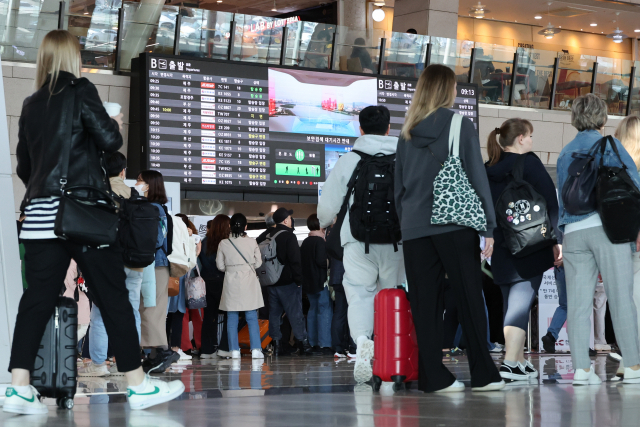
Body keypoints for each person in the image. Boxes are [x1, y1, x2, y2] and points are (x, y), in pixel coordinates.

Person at [5, 30, 183, 415]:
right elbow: (108, 139)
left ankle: (18, 387)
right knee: (113, 297)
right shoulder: (81, 89)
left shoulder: (32, 104)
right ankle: (137, 385)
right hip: (82, 215)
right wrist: (114, 121)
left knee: (35, 301)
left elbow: (24, 167)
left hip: (39, 217)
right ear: (71, 58)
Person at [394, 64, 504, 392]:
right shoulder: (459, 124)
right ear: (447, 90)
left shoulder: (406, 132)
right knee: (469, 298)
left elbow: (399, 188)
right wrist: (488, 227)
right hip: (454, 223)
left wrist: (408, 222)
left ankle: (433, 377)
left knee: (425, 305)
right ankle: (484, 374)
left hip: (415, 228)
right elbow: (476, 177)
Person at [318, 105, 405, 383]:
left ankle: (362, 342)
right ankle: (391, 353)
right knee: (392, 295)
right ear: (389, 128)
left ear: (361, 129)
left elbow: (326, 209)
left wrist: (325, 221)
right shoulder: (403, 157)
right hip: (396, 241)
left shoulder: (350, 159)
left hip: (357, 240)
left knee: (359, 295)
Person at [557, 94, 640, 385]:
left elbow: (562, 199)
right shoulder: (611, 145)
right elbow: (634, 187)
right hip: (608, 230)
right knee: (620, 298)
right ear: (603, 119)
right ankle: (632, 367)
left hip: (573, 234)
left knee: (578, 304)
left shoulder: (565, 152)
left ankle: (581, 370)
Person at [485, 118, 561, 381]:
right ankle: (509, 362)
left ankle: (517, 359)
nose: (531, 141)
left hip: (498, 245)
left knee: (512, 302)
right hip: (530, 243)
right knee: (521, 302)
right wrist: (556, 239)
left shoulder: (488, 168)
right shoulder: (529, 162)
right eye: (529, 136)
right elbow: (551, 203)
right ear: (519, 139)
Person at [78, 152, 148, 377]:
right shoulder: (135, 195)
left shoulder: (96, 194)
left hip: (106, 262)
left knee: (100, 314)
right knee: (132, 313)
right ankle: (127, 362)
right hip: (134, 263)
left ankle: (99, 364)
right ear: (123, 171)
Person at [137, 170, 181, 373]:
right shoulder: (156, 208)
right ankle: (154, 355)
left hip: (154, 265)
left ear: (149, 186)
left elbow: (155, 240)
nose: (136, 184)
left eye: (140, 181)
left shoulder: (154, 209)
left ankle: (163, 352)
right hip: (154, 265)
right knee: (149, 308)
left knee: (151, 309)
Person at [258, 207, 315, 356]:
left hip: (270, 282)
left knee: (274, 315)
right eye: (289, 218)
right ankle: (304, 345)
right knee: (295, 314)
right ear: (285, 220)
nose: (291, 220)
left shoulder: (266, 235)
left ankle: (277, 346)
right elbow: (295, 261)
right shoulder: (289, 236)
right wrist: (298, 280)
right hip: (288, 283)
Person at [216, 213, 265, 359]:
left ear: (230, 226)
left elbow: (220, 266)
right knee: (251, 315)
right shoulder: (252, 242)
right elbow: (259, 263)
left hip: (231, 281)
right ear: (246, 227)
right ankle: (256, 349)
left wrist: (232, 269)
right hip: (249, 281)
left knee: (231, 316)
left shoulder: (224, 243)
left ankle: (234, 350)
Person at [614, 114, 640, 373]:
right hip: (633, 241)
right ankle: (632, 360)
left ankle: (630, 359)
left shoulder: (615, 167)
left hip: (619, 240)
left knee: (626, 301)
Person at [167, 215, 201, 360]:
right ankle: (175, 348)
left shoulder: (167, 235)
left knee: (166, 315)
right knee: (178, 313)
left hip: (166, 275)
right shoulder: (189, 238)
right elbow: (194, 256)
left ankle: (163, 349)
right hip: (179, 276)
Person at [199, 215, 230, 358]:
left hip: (206, 282)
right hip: (224, 282)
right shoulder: (226, 243)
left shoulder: (204, 241)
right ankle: (224, 348)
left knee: (209, 316)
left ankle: (207, 349)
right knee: (230, 315)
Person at [301, 214, 332, 355]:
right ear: (320, 226)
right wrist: (329, 262)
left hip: (308, 283)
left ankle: (312, 342)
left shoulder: (306, 242)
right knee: (324, 309)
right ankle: (324, 344)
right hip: (320, 282)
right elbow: (321, 261)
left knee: (312, 310)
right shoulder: (320, 242)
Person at [327, 224, 356, 358]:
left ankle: (338, 348)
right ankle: (353, 347)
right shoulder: (352, 228)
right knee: (354, 310)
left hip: (337, 276)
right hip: (351, 275)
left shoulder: (332, 231)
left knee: (339, 312)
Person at [541, 266, 567, 354]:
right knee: (580, 306)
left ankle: (551, 335)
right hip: (576, 266)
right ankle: (582, 345)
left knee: (564, 305)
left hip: (560, 268)